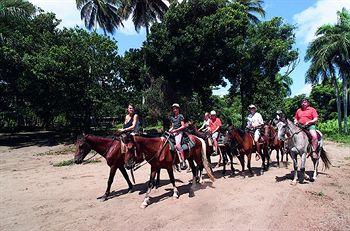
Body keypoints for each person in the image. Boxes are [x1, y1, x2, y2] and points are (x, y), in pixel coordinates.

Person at [169, 103, 187, 170]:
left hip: (179, 132)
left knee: (177, 145)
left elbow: (183, 126)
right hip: (174, 132)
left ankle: (183, 161)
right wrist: (170, 130)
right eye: (173, 109)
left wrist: (176, 130)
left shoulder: (181, 116)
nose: (174, 110)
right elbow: (172, 126)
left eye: (176, 108)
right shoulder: (172, 117)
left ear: (178, 109)